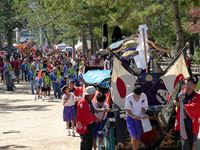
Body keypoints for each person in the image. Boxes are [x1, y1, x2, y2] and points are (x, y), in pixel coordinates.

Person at [174, 76, 200, 150]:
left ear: (194, 86)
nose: (188, 86)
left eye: (190, 84)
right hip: (181, 123)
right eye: (186, 84)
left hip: (191, 124)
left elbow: (193, 108)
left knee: (191, 144)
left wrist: (180, 105)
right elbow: (174, 103)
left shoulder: (198, 97)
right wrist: (176, 106)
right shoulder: (180, 95)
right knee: (182, 144)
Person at [124, 86, 149, 150]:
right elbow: (127, 110)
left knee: (138, 137)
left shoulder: (143, 96)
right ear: (133, 93)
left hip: (139, 119)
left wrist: (143, 114)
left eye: (139, 95)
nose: (137, 97)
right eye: (136, 95)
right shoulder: (129, 98)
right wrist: (134, 116)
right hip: (130, 118)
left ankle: (135, 148)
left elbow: (144, 107)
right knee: (134, 136)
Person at [76, 86, 98, 150]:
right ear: (90, 95)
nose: (94, 96)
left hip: (88, 126)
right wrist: (95, 118)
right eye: (93, 94)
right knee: (85, 144)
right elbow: (87, 116)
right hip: (84, 125)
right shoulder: (83, 102)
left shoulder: (88, 101)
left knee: (89, 142)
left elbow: (91, 111)